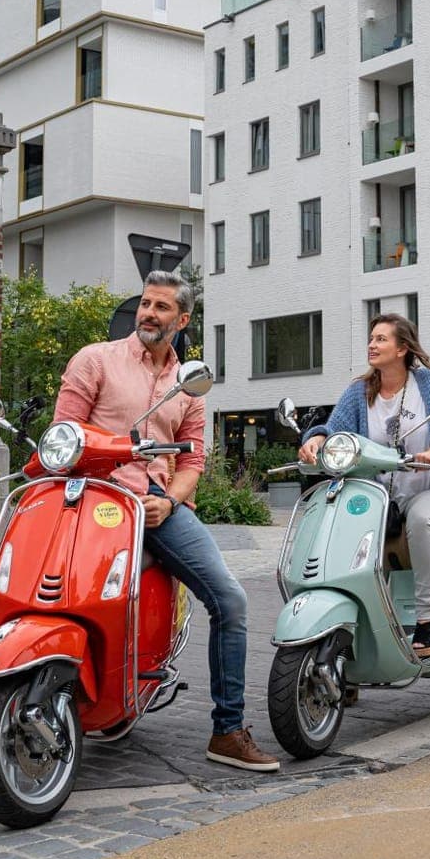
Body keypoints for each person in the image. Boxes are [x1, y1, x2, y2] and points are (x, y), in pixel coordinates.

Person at [53, 270, 279, 773]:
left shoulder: (188, 384)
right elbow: (62, 437)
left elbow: (193, 460)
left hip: (155, 503)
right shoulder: (96, 360)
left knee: (231, 601)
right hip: (93, 497)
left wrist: (171, 503)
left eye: (161, 307)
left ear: (183, 319)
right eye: (145, 304)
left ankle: (227, 730)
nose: (149, 314)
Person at [298, 313, 430, 658]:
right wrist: (315, 440)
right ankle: (356, 624)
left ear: (402, 348)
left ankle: (427, 619)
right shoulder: (359, 391)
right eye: (371, 338)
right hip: (379, 497)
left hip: (429, 491)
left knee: (421, 520)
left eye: (381, 339)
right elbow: (334, 429)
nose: (372, 345)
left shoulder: (428, 383)